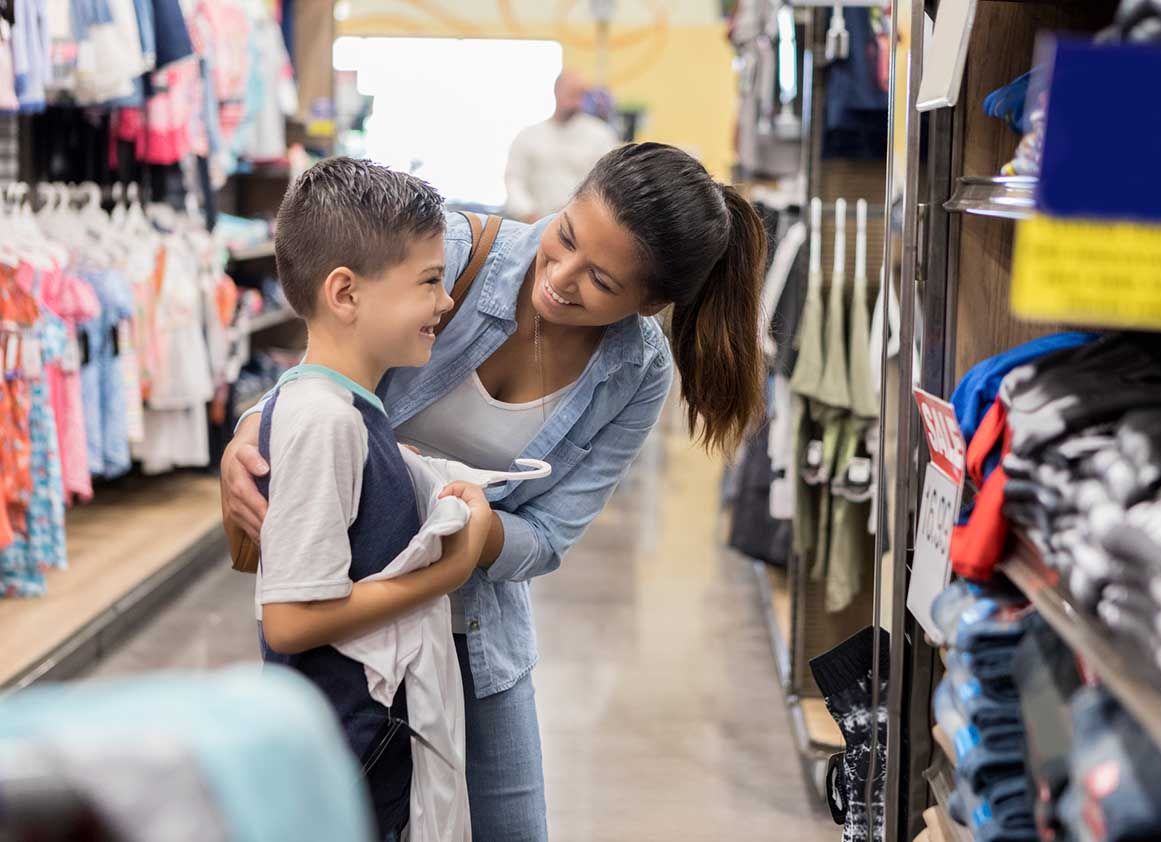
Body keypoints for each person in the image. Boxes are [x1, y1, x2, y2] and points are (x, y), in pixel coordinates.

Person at [222, 142, 769, 842]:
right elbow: (319, 370)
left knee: (507, 825)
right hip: (349, 621)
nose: (560, 277)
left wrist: (473, 537)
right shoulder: (444, 252)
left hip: (476, 629)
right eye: (564, 236)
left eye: (600, 281)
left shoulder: (636, 372)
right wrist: (247, 437)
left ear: (651, 302)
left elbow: (550, 535)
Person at [250, 158, 492, 840]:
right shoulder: (322, 420)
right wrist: (445, 573)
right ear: (346, 294)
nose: (445, 303)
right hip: (346, 755)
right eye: (429, 282)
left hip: (363, 747)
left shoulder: (350, 412)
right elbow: (291, 619)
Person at [503, 70, 619, 222]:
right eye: (571, 94)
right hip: (532, 224)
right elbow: (514, 179)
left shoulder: (601, 136)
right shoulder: (528, 136)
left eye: (580, 95)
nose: (576, 102)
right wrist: (528, 213)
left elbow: (607, 184)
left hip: (582, 226)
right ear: (556, 91)